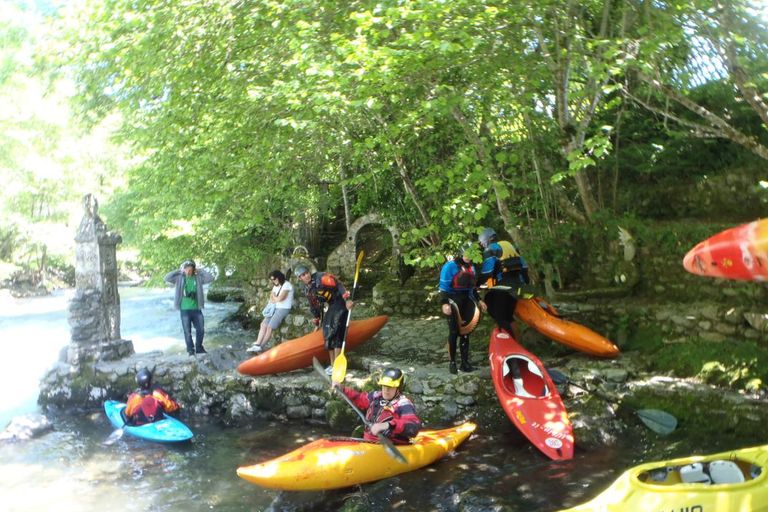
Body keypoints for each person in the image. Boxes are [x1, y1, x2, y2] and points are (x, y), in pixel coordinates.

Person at [335, 367, 421, 445]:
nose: (386, 390)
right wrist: (343, 389)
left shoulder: (403, 404)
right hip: (368, 442)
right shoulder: (375, 396)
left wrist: (388, 425)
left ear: (399, 388)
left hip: (392, 445)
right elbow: (359, 398)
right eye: (384, 386)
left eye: (390, 387)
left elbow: (413, 427)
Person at [295, 265, 353, 375]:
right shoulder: (307, 290)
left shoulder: (321, 278)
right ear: (300, 278)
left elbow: (338, 284)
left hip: (340, 302)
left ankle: (336, 365)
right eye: (303, 275)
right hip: (332, 305)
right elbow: (314, 306)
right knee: (327, 332)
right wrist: (317, 320)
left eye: (306, 273)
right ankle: (332, 365)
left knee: (334, 330)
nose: (306, 276)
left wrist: (347, 300)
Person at [439, 245, 487, 374]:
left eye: (471, 254)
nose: (468, 256)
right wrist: (444, 304)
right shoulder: (450, 267)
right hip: (453, 300)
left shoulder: (472, 267)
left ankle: (465, 363)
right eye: (466, 253)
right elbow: (443, 288)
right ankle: (452, 362)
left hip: (467, 300)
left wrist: (479, 301)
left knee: (466, 333)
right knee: (454, 332)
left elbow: (473, 288)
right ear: (460, 253)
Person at [477, 227, 531, 336]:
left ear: (487, 240)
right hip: (517, 287)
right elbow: (524, 267)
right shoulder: (510, 246)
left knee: (497, 313)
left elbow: (487, 272)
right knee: (508, 316)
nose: (482, 246)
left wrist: (476, 284)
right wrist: (525, 284)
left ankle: (511, 346)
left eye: (482, 243)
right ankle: (518, 342)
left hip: (503, 288)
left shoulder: (490, 249)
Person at [164, 260, 215, 356]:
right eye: (187, 269)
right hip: (184, 309)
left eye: (191, 270)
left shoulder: (198, 278)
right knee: (187, 332)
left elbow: (211, 278)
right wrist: (179, 271)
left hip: (196, 308)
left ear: (193, 270)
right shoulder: (179, 278)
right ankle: (190, 350)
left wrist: (200, 271)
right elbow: (166, 277)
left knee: (201, 329)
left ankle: (199, 348)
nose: (188, 272)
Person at [247, 270, 294, 353]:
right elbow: (271, 297)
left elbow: (280, 298)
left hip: (283, 309)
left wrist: (275, 298)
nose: (273, 281)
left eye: (274, 279)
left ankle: (260, 346)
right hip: (275, 308)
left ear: (279, 277)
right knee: (263, 324)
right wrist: (275, 298)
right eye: (272, 280)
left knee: (269, 327)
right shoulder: (276, 285)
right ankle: (257, 343)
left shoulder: (287, 285)